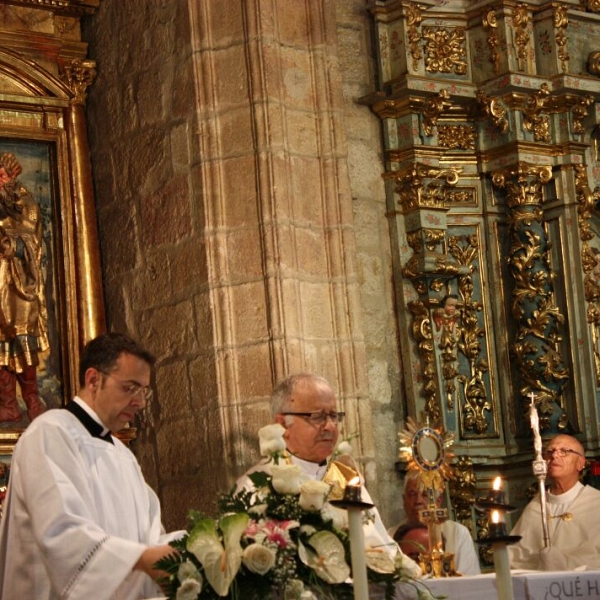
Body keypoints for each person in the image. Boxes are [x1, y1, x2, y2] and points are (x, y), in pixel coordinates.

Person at [0, 332, 183, 599]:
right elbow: (61, 535)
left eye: (144, 390)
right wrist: (142, 558)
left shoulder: (122, 454)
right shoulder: (49, 433)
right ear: (93, 380)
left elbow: (150, 536)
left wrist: (197, 549)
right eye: (130, 388)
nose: (141, 403)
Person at [236, 373, 422, 578]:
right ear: (283, 425)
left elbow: (380, 548)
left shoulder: (348, 480)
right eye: (317, 416)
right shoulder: (257, 485)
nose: (330, 426)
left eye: (334, 416)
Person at [0, 152, 49, 423]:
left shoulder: (25, 204)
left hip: (19, 285)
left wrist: (12, 245)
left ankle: (32, 400)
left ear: (12, 177)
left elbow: (32, 237)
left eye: (2, 176)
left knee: (22, 338)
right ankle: (8, 404)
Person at [509, 434, 600, 571]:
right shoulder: (535, 507)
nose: (554, 456)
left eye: (564, 451)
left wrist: (563, 561)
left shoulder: (596, 503)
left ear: (580, 463)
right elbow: (514, 558)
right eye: (550, 452)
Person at [388, 470, 481, 575]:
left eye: (425, 494)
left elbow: (468, 579)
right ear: (404, 500)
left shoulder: (457, 533)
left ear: (438, 501)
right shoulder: (389, 536)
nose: (418, 501)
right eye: (412, 494)